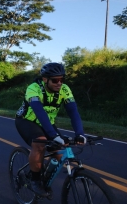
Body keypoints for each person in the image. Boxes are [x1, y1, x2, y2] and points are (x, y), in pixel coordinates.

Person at [14, 62, 87, 197]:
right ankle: (35, 180)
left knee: (60, 154)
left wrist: (80, 133)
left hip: (47, 123)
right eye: (55, 80)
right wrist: (53, 135)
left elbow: (73, 112)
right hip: (26, 121)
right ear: (45, 79)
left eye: (61, 79)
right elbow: (39, 111)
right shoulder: (33, 88)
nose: (59, 83)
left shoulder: (64, 89)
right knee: (40, 144)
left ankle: (42, 172)